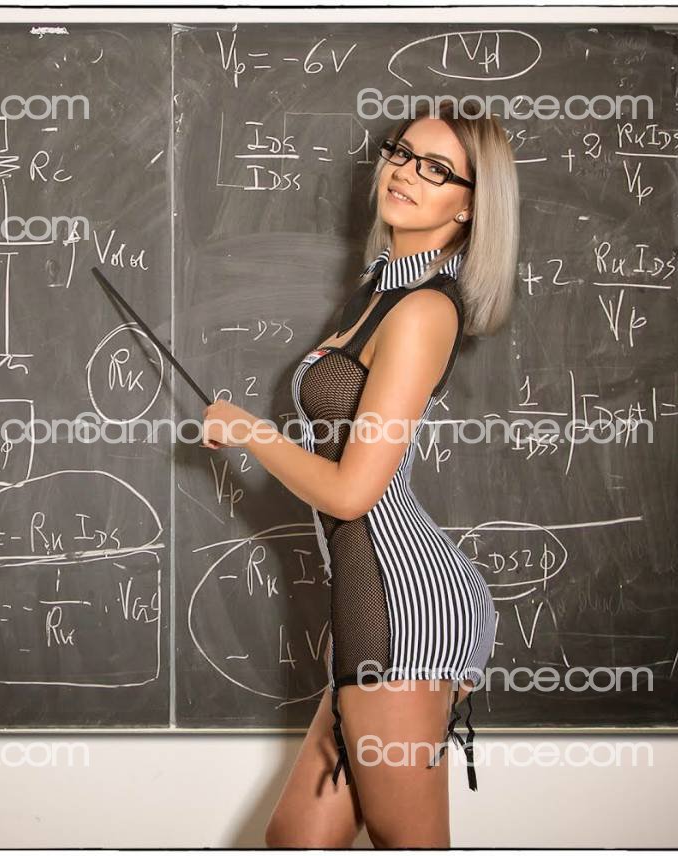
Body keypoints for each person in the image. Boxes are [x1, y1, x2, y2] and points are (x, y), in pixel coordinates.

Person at [201, 102, 519, 847]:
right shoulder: (379, 292)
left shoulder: (423, 312)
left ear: (469, 206)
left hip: (409, 615)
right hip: (366, 604)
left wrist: (249, 432)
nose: (407, 173)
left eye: (437, 170)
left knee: (409, 845)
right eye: (402, 154)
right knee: (296, 842)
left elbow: (353, 492)